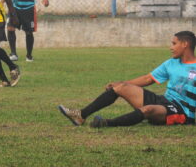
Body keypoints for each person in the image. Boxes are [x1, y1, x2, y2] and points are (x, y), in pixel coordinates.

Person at [58, 31, 196, 128]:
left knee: (148, 110)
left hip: (180, 111)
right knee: (119, 88)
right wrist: (123, 83)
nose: (170, 47)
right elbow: (148, 78)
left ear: (185, 44)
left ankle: (107, 123)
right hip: (163, 101)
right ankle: (81, 115)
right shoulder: (171, 63)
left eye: (174, 43)